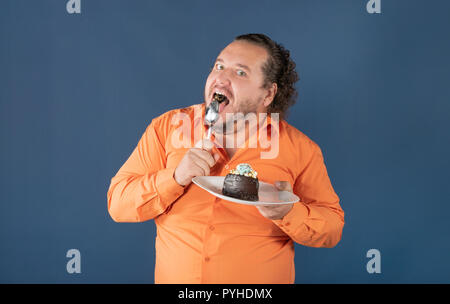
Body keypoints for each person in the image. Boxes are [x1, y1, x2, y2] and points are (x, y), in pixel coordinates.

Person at [107, 33, 345, 284]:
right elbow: (118, 203)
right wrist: (175, 178)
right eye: (219, 66)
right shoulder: (167, 128)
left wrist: (288, 212)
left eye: (240, 73)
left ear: (268, 93)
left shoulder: (301, 149)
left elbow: (332, 230)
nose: (221, 78)